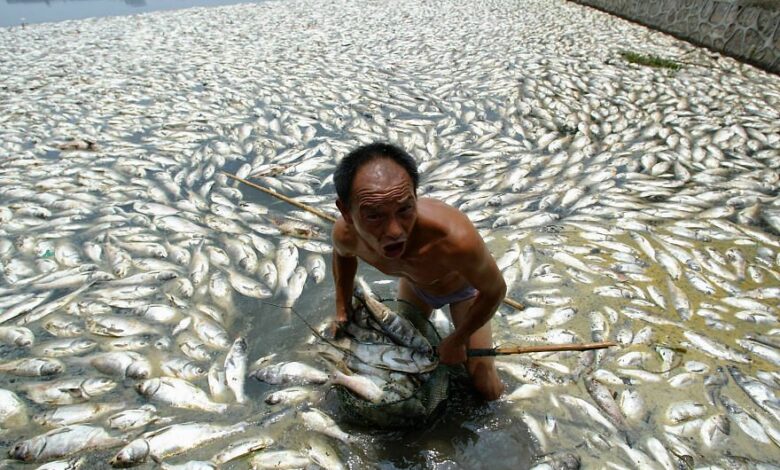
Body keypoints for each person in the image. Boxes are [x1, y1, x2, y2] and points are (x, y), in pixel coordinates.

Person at [330, 142, 506, 401]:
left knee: (484, 385)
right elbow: (342, 258)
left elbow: (495, 290)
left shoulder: (455, 239)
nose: (394, 231)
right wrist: (342, 309)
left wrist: (457, 340)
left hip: (464, 292)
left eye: (404, 209)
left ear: (415, 195)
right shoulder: (345, 235)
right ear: (346, 211)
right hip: (415, 287)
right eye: (374, 216)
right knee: (408, 362)